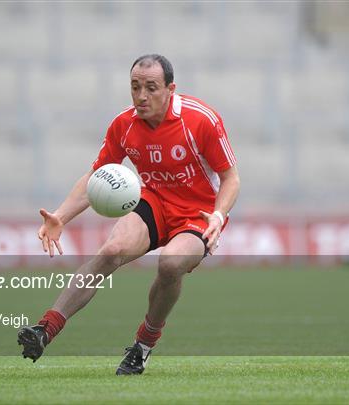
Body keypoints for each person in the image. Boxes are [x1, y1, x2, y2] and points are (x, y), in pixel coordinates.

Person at [17, 54, 240, 375]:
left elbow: (231, 177)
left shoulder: (200, 120)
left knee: (171, 264)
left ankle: (143, 345)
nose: (141, 96)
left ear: (170, 89)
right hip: (154, 202)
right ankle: (45, 329)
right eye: (135, 87)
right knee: (111, 250)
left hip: (198, 214)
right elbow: (97, 176)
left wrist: (219, 215)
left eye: (151, 88)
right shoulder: (125, 124)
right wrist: (61, 216)